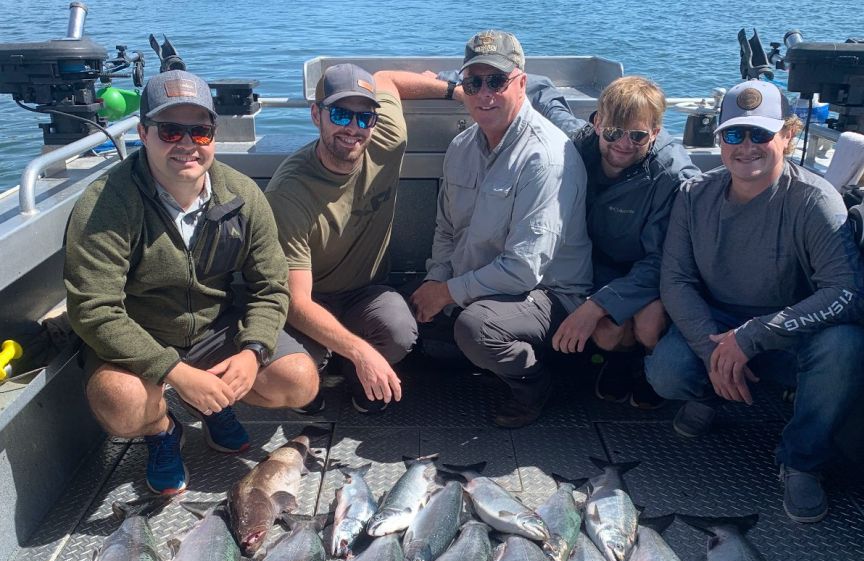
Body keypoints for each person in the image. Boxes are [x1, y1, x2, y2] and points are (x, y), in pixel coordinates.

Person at [65, 69, 319, 495]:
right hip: (139, 338)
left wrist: (253, 351)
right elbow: (94, 310)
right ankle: (163, 430)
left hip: (213, 333)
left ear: (214, 136)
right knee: (122, 405)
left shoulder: (241, 195)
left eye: (199, 132)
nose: (186, 144)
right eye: (170, 130)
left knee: (299, 379)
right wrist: (174, 373)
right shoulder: (106, 203)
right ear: (144, 133)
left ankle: (216, 404)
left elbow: (270, 286)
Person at [645, 79, 864, 523]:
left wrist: (753, 337)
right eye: (733, 134)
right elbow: (676, 280)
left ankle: (802, 460)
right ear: (719, 141)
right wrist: (716, 352)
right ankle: (715, 393)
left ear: (788, 135)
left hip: (790, 335)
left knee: (847, 346)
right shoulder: (694, 195)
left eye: (761, 134)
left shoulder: (814, 201)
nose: (746, 146)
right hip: (718, 325)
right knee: (665, 372)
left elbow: (847, 292)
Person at [410, 30, 593, 428]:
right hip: (480, 284)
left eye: (496, 81)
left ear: (522, 83)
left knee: (477, 329)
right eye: (473, 83)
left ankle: (536, 383)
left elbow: (525, 270)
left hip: (547, 293)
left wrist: (445, 293)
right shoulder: (460, 147)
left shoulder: (545, 158)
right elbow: (446, 230)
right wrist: (434, 281)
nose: (484, 93)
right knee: (404, 322)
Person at [265, 64, 459, 413]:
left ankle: (357, 382)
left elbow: (385, 78)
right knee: (294, 374)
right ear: (316, 115)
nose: (353, 128)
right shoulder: (289, 192)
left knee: (400, 331)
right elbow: (296, 302)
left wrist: (454, 91)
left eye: (364, 117)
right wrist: (361, 351)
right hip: (311, 298)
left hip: (365, 292)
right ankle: (319, 377)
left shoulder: (386, 140)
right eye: (340, 114)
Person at [525, 74, 700, 408]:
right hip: (600, 264)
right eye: (613, 132)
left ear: (656, 133)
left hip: (653, 271)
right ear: (597, 123)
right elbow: (540, 93)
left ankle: (647, 364)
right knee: (607, 332)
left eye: (638, 135)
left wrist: (597, 305)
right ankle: (618, 359)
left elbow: (665, 259)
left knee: (649, 325)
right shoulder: (578, 143)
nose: (623, 143)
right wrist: (451, 84)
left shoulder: (671, 175)